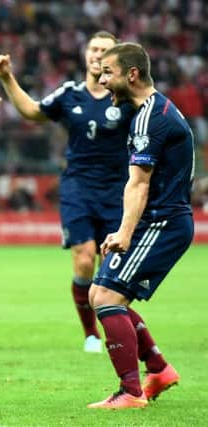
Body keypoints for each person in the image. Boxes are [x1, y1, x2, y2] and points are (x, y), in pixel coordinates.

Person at [0, 31, 137, 353]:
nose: (98, 55)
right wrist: (6, 77)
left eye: (105, 51)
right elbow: (31, 112)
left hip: (117, 190)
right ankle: (91, 335)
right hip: (77, 187)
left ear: (117, 60)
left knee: (110, 266)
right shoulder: (70, 94)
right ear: (85, 55)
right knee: (84, 260)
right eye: (94, 49)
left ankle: (115, 329)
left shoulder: (129, 99)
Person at [86, 42, 194, 409]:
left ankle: (131, 393)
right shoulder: (151, 110)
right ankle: (159, 369)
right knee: (98, 296)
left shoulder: (151, 117)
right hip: (160, 221)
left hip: (161, 223)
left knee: (107, 299)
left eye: (108, 73)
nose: (102, 80)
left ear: (131, 74)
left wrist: (124, 233)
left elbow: (140, 183)